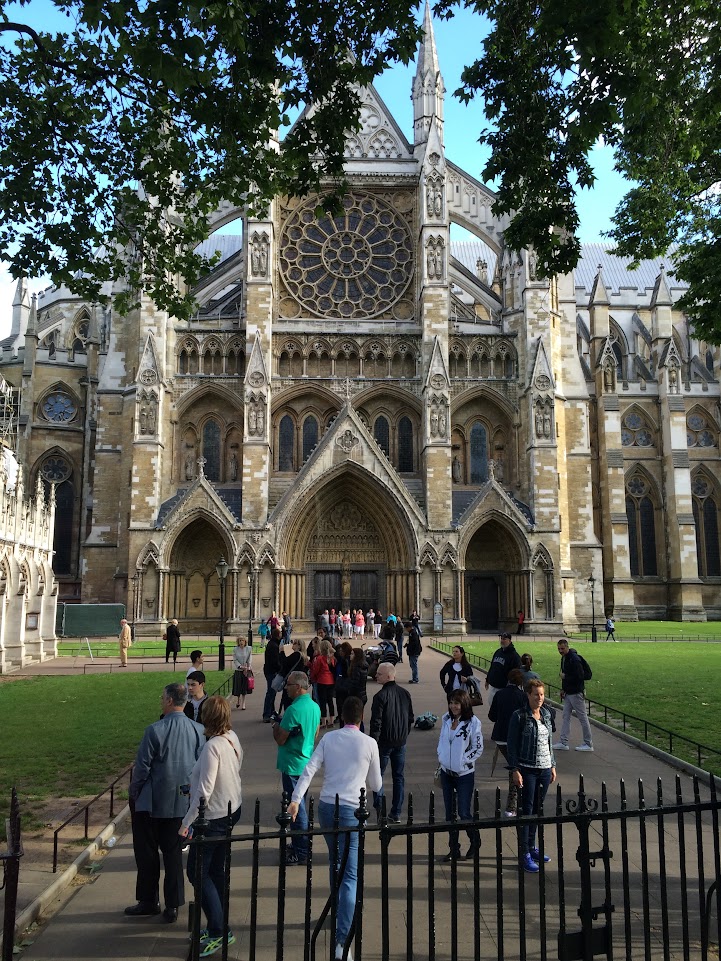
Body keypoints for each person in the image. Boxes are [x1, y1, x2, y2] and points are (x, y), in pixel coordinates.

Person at [287, 697, 382, 961]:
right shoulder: (369, 743)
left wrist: (296, 800)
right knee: (349, 873)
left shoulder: (329, 739)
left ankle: (338, 910)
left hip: (329, 807)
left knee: (335, 862)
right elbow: (376, 783)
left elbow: (309, 770)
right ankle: (343, 941)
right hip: (353, 809)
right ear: (361, 718)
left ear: (341, 715)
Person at [125, 682, 204, 921]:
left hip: (151, 803)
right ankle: (173, 905)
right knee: (172, 856)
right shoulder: (198, 730)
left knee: (147, 855)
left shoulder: (154, 730)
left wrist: (134, 793)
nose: (161, 701)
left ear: (170, 701)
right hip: (181, 803)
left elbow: (142, 768)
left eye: (162, 698)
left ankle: (149, 901)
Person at [180, 696, 242, 957]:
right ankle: (218, 923)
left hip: (214, 817)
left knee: (197, 873)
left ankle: (219, 931)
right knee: (215, 871)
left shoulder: (212, 746)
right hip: (231, 808)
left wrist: (186, 823)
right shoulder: (232, 737)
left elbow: (205, 790)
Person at [507, 679, 556, 873]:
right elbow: (511, 745)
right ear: (528, 695)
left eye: (542, 694)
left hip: (544, 769)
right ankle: (524, 852)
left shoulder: (546, 714)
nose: (540, 698)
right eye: (536, 694)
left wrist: (553, 765)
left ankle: (532, 846)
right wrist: (514, 769)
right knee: (526, 811)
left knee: (537, 810)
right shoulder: (519, 716)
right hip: (527, 769)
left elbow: (549, 741)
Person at [273, 671, 321, 865]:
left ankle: (301, 852)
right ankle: (299, 844)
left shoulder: (293, 710)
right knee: (300, 805)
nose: (286, 688)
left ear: (299, 687)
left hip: (292, 764)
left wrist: (275, 726)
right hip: (305, 761)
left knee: (296, 808)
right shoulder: (315, 707)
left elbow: (280, 738)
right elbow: (316, 733)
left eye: (289, 684)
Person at [436, 690, 484, 861]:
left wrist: (463, 760)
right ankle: (454, 849)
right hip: (446, 772)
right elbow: (442, 740)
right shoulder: (446, 719)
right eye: (451, 702)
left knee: (464, 812)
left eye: (456, 703)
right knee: (450, 814)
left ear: (464, 703)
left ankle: (475, 841)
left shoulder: (473, 722)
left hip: (464, 774)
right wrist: (441, 756)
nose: (453, 706)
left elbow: (477, 748)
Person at [370, 662, 414, 823]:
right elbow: (410, 718)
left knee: (378, 776)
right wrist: (404, 734)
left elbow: (376, 723)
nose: (376, 675)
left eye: (379, 674)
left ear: (389, 676)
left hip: (384, 743)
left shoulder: (380, 697)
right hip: (400, 742)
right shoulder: (405, 693)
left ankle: (381, 810)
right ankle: (396, 812)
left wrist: (373, 744)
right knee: (398, 777)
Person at [488, 668, 527, 817]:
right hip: (515, 738)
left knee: (515, 768)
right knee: (515, 770)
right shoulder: (522, 696)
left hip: (500, 737)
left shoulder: (500, 694)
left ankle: (515, 804)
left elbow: (492, 716)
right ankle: (512, 806)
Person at [554, 639, 594, 752]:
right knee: (565, 716)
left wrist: (566, 678)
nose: (560, 651)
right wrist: (563, 688)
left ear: (567, 647)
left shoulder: (574, 659)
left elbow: (580, 676)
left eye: (562, 648)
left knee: (583, 718)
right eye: (558, 649)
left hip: (576, 693)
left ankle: (588, 743)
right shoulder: (565, 658)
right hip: (568, 692)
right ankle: (563, 742)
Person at [485, 633, 522, 706]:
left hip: (503, 688)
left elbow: (516, 673)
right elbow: (492, 666)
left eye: (504, 639)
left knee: (501, 710)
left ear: (509, 641)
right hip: (493, 686)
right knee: (492, 708)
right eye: (501, 638)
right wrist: (487, 679)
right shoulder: (498, 652)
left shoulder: (514, 656)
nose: (502, 640)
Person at [309, 638, 336, 727]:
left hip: (322, 681)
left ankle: (324, 721)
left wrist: (312, 677)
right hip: (330, 681)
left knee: (322, 702)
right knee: (330, 701)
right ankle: (331, 720)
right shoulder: (332, 659)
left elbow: (316, 670)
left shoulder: (320, 659)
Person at [279, 638, 308, 712]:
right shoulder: (303, 656)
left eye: (295, 643)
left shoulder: (296, 655)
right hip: (298, 681)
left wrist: (282, 652)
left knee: (288, 700)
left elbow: (285, 663)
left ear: (299, 646)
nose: (293, 645)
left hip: (292, 680)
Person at [263, 628, 282, 722]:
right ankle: (267, 714)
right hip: (271, 672)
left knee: (272, 692)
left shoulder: (273, 644)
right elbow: (275, 662)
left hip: (269, 671)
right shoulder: (273, 646)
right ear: (278, 635)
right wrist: (281, 668)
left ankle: (271, 712)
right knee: (271, 693)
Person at [334, 642, 353, 725]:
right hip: (340, 685)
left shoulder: (346, 661)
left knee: (343, 707)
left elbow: (346, 673)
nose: (340, 652)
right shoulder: (342, 660)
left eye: (342, 651)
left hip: (344, 686)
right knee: (340, 706)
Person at [232, 636, 252, 710]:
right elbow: (235, 660)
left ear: (245, 641)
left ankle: (243, 703)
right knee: (238, 687)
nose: (241, 642)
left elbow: (250, 658)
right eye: (240, 640)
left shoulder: (249, 648)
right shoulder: (235, 649)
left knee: (244, 687)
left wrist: (248, 666)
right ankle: (238, 700)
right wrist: (240, 667)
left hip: (246, 670)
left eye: (242, 640)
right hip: (239, 670)